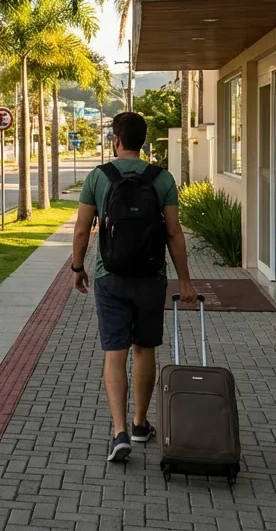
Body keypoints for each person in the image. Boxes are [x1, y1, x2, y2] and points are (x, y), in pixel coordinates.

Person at [70, 111, 196, 464]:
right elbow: (173, 231)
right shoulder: (162, 178)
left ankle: (119, 431)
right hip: (151, 277)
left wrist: (77, 267)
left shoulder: (99, 176)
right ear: (143, 141)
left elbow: (82, 230)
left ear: (116, 140)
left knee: (115, 352)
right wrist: (184, 279)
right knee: (145, 348)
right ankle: (141, 424)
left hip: (109, 276)